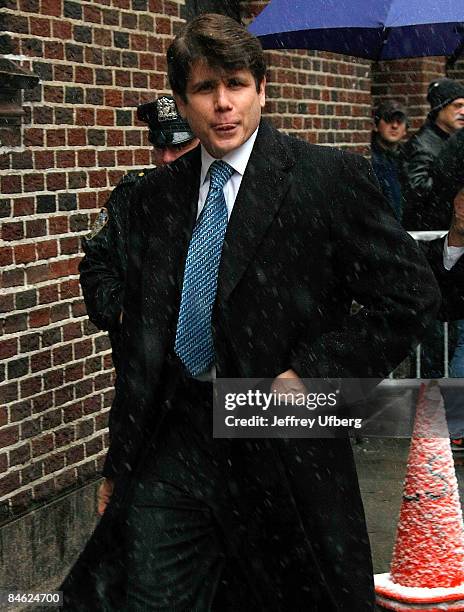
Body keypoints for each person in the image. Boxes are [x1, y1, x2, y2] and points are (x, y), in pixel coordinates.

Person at [62, 14, 440, 611]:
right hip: (178, 434)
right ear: (183, 102)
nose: (222, 105)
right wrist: (119, 462)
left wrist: (312, 373)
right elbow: (142, 345)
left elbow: (410, 297)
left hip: (278, 436)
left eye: (235, 84)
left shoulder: (323, 180)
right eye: (204, 89)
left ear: (261, 89)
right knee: (148, 596)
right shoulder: (156, 198)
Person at [402, 77, 464, 230]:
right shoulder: (421, 144)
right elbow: (416, 190)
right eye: (457, 106)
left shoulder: (453, 140)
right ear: (439, 107)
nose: (463, 112)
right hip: (429, 231)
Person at [371, 100, 408, 221]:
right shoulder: (370, 159)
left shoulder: (408, 158)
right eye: (388, 119)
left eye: (399, 121)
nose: (395, 126)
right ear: (376, 126)